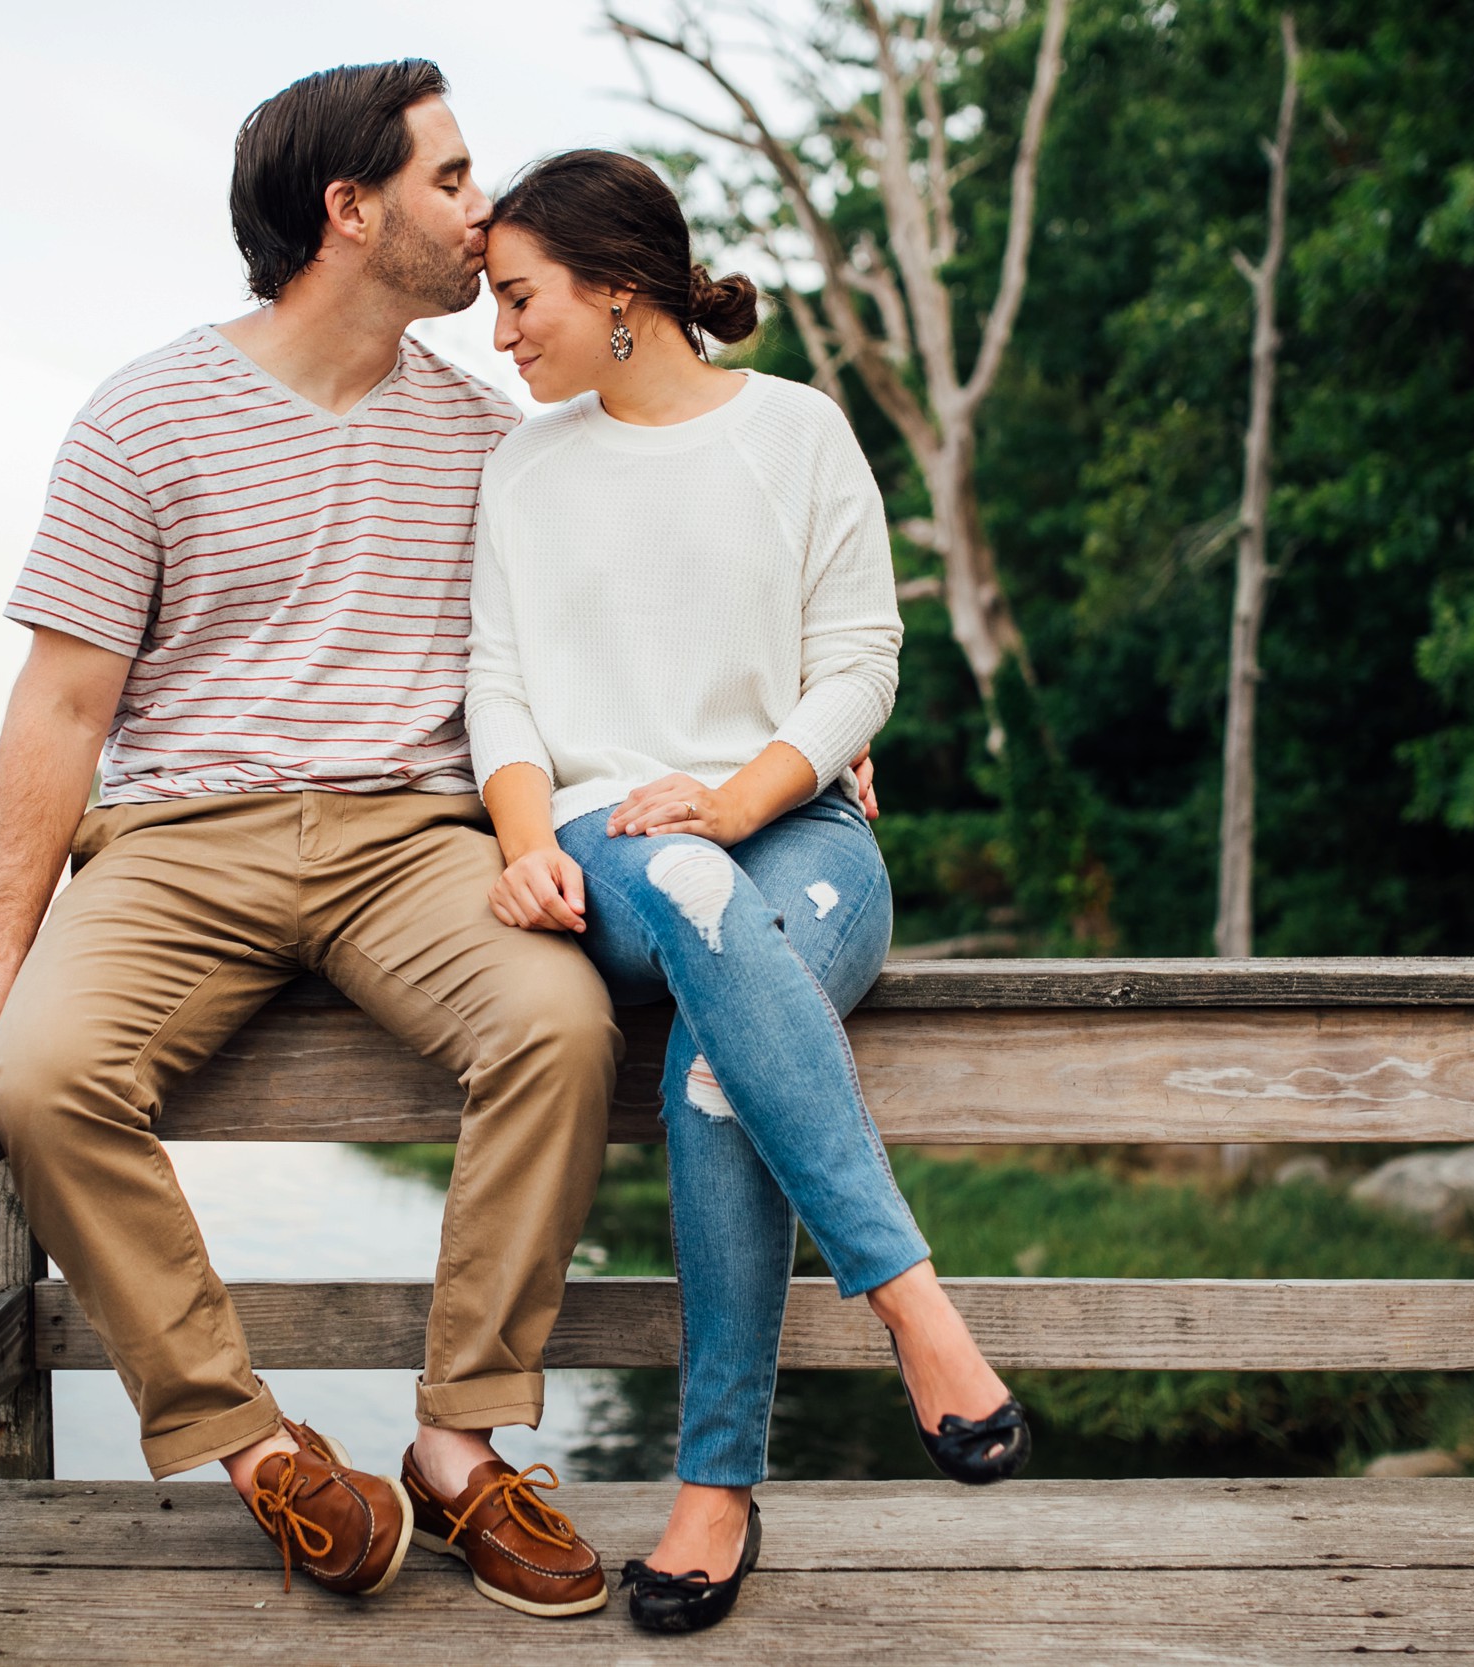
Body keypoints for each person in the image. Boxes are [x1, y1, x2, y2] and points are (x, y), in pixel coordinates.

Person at [0, 62, 619, 1619]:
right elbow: (62, 702)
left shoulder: (492, 439)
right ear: (349, 211)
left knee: (561, 1028)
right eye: (447, 179)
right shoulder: (144, 416)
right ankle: (256, 1446)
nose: (483, 208)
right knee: (39, 1074)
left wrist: (805, 742)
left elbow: (601, 640)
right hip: (179, 841)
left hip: (414, 839)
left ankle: (459, 1448)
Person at [465, 149, 1031, 1637]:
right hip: (614, 846)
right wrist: (523, 838)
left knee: (717, 1070)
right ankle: (912, 1299)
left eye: (519, 298)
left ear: (619, 290)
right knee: (696, 890)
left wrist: (738, 796)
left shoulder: (797, 432)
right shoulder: (524, 466)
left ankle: (716, 1488)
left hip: (801, 832)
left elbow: (861, 663)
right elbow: (500, 691)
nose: (501, 332)